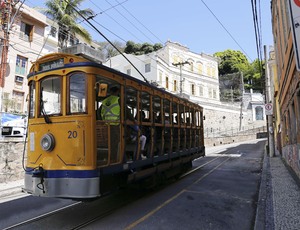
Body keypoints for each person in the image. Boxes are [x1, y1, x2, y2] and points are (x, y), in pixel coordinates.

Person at [100, 86, 120, 162]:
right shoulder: (118, 100)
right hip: (115, 124)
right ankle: (113, 158)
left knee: (108, 142)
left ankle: (107, 157)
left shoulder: (104, 101)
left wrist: (103, 121)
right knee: (115, 142)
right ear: (117, 92)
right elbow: (125, 112)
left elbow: (100, 112)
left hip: (106, 124)